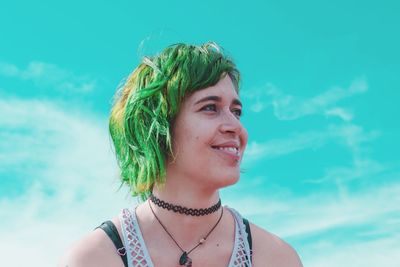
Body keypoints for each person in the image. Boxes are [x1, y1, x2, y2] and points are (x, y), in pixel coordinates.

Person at [59, 42, 303, 267]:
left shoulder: (275, 258)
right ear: (157, 125)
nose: (235, 127)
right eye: (210, 108)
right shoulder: (95, 258)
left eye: (236, 111)